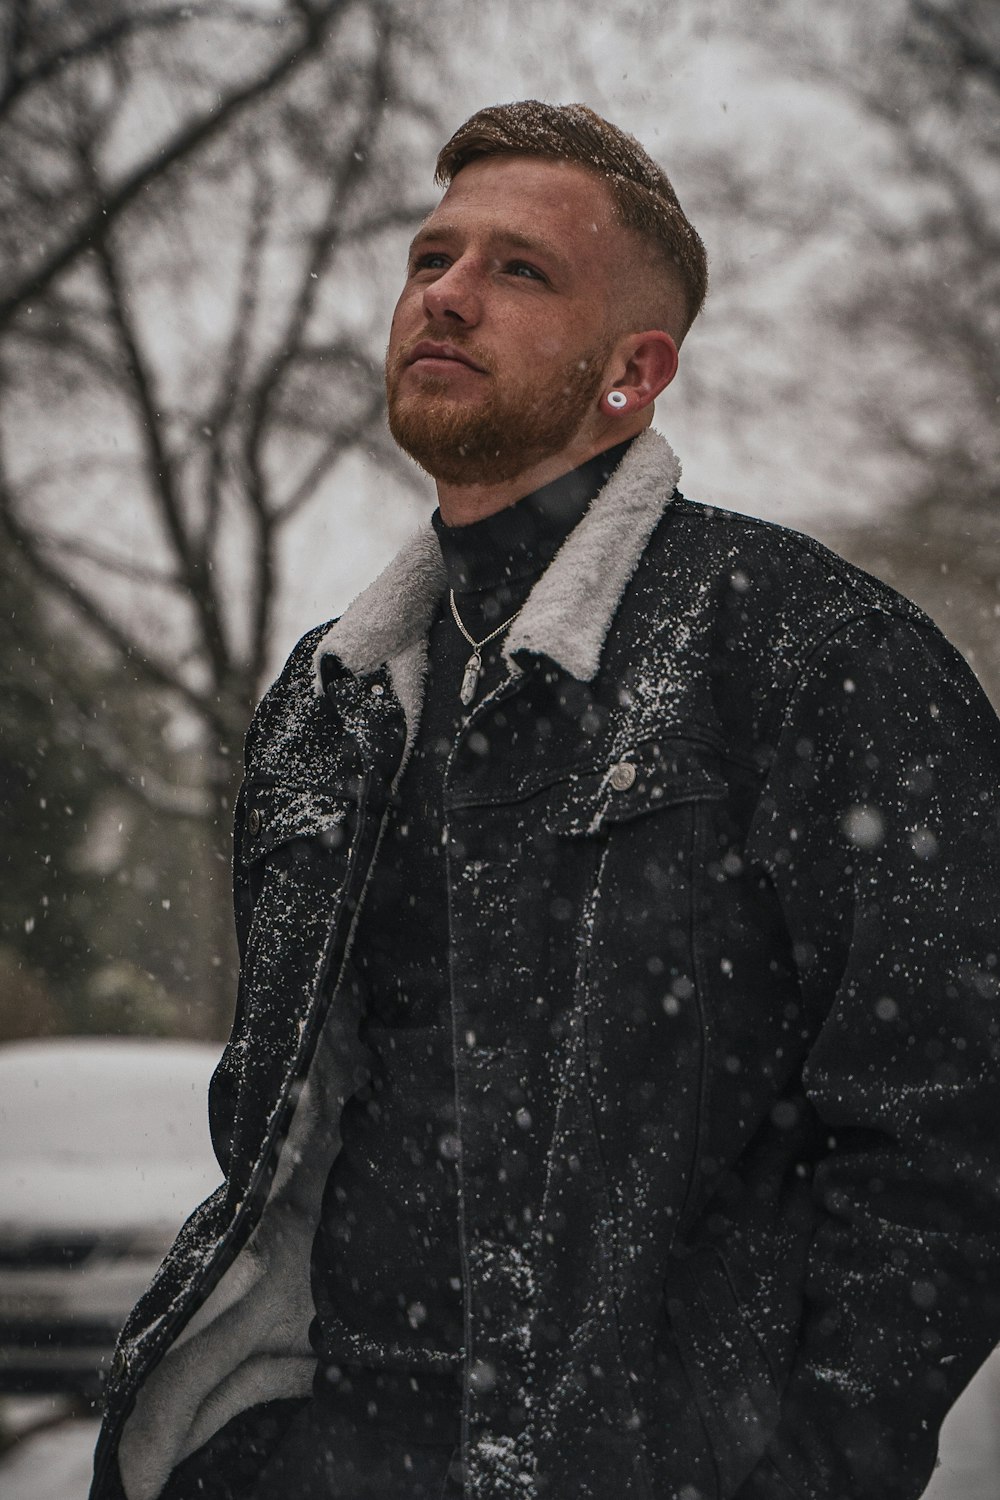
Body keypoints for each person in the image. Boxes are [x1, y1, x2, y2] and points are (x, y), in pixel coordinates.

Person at [90, 101, 1000, 1500]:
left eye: (519, 270)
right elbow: (279, 1125)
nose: (444, 294)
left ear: (636, 370)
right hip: (306, 1452)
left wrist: (810, 1460)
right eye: (430, 257)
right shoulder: (330, 702)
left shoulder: (812, 658)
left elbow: (950, 1130)